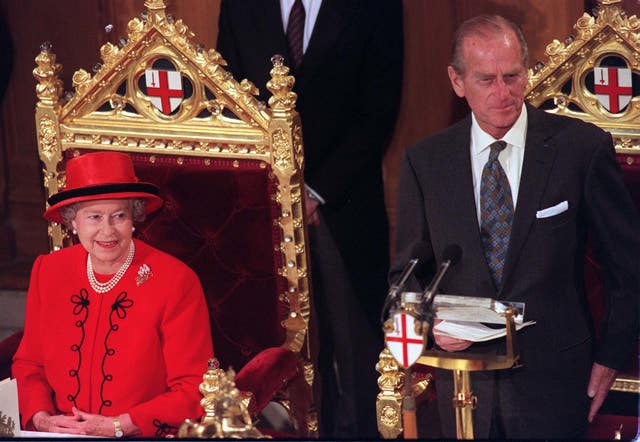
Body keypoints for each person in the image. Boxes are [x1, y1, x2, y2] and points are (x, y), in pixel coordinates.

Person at [391, 14, 640, 439]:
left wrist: (611, 357)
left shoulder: (580, 149)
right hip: (465, 387)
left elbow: (628, 267)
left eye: (512, 76)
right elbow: (407, 282)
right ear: (457, 81)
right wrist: (427, 327)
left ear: (527, 72)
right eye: (486, 80)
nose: (503, 93)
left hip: (555, 381)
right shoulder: (425, 163)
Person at [217, 0, 403, 437]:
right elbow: (229, 94)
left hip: (344, 208)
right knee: (273, 343)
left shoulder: (377, 7)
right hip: (261, 206)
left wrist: (315, 192)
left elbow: (379, 109)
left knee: (354, 349)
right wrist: (275, 186)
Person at [12, 151, 213, 438]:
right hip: (57, 433)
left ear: (134, 218)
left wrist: (121, 424)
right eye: (94, 217)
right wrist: (42, 418)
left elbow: (195, 386)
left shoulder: (176, 280)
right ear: (73, 221)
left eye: (119, 216)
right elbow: (29, 363)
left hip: (140, 433)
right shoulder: (49, 270)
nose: (107, 231)